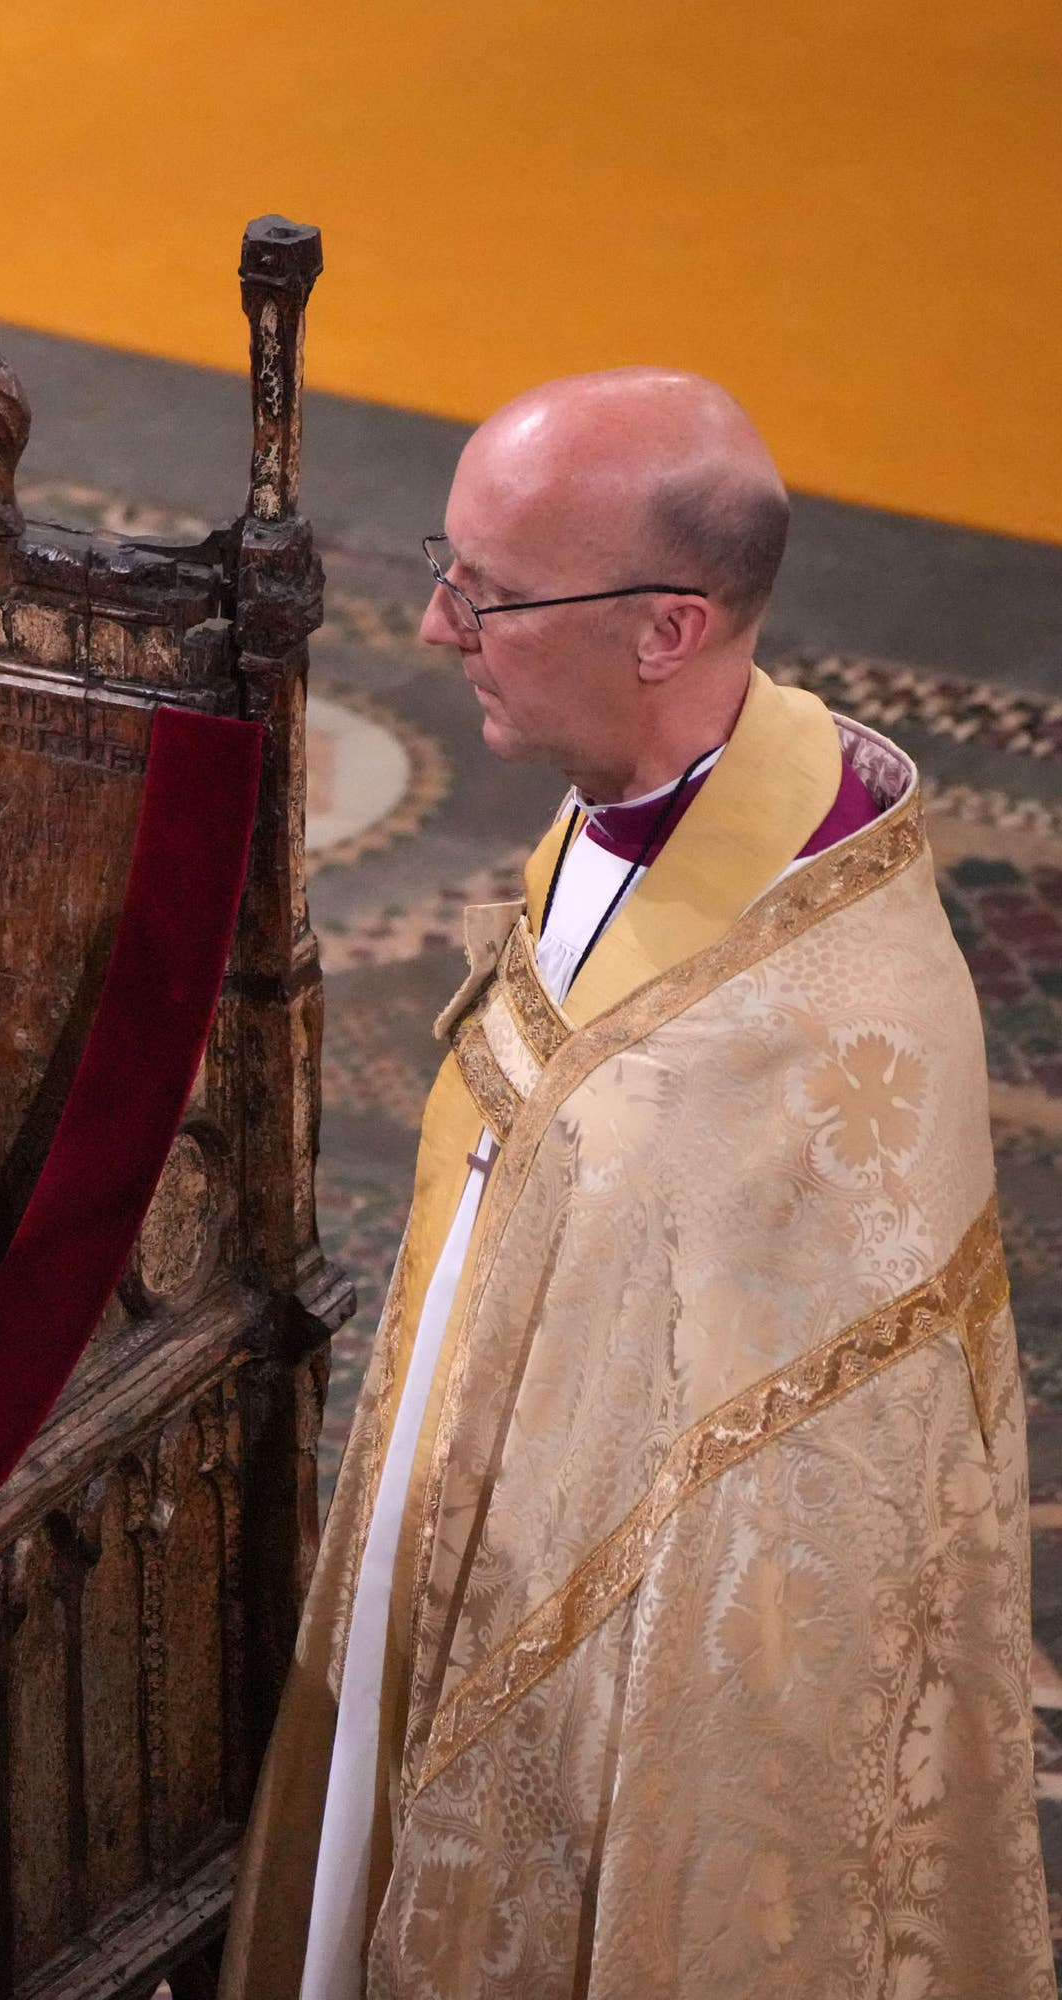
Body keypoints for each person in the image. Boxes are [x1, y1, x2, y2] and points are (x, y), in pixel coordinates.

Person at [220, 370, 1050, 1998]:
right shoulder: (646, 794)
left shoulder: (821, 1038)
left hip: (624, 1699)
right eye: (447, 570)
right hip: (459, 1516)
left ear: (669, 628)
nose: (443, 626)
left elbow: (787, 1591)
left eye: (492, 592)